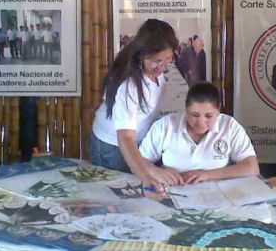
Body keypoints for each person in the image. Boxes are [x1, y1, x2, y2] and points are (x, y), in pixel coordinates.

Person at [90, 19, 184, 190]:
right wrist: (148, 173)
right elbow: (125, 138)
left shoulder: (157, 72)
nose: (162, 67)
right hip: (113, 146)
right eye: (156, 61)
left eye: (168, 59)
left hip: (136, 142)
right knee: (118, 196)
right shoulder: (130, 85)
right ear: (142, 54)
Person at [140, 81, 259, 193]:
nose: (201, 122)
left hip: (218, 195)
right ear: (186, 109)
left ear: (218, 110)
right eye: (195, 115)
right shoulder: (165, 126)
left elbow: (251, 168)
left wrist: (207, 175)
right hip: (172, 193)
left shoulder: (229, 126)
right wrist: (156, 172)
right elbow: (138, 162)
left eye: (209, 116)